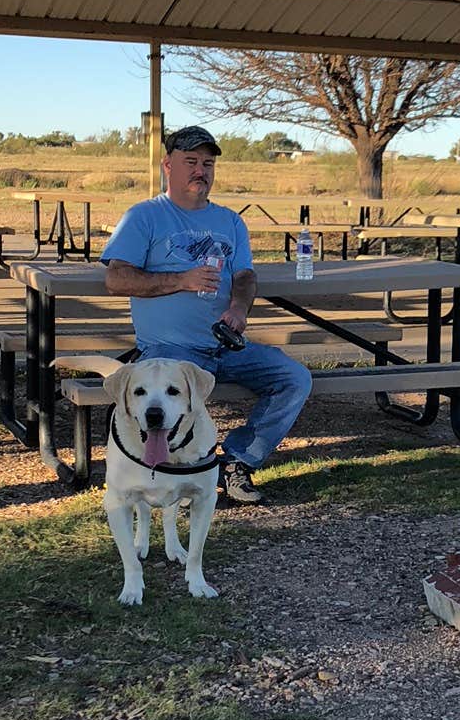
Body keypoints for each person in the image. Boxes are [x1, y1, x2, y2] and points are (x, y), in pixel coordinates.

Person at [100, 126, 311, 504]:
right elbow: (116, 279)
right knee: (174, 403)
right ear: (168, 166)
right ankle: (168, 477)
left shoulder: (230, 221)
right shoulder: (144, 217)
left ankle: (238, 462)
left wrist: (238, 308)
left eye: (208, 163)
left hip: (225, 346)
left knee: (293, 378)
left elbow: (245, 275)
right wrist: (181, 279)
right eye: (191, 162)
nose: (201, 170)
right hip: (170, 351)